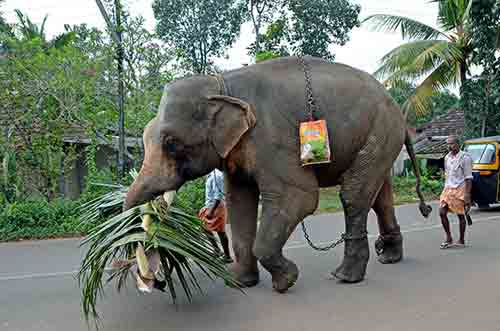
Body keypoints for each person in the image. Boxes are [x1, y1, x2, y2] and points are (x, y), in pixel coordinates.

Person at [439, 135, 473, 249]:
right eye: (448, 144)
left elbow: (468, 178)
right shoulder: (447, 157)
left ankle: (461, 239)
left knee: (460, 215)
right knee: (442, 212)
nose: (449, 146)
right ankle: (448, 238)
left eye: (452, 143)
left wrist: (467, 194)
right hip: (448, 188)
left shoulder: (465, 158)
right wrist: (445, 187)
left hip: (460, 188)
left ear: (458, 144)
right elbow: (447, 174)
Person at [198, 169, 232, 263]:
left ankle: (227, 256)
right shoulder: (210, 174)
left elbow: (218, 197)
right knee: (204, 227)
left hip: (216, 207)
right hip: (210, 205)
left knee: (221, 232)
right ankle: (217, 250)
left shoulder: (217, 176)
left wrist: (211, 211)